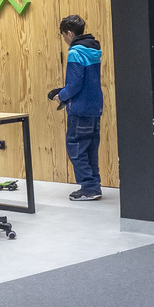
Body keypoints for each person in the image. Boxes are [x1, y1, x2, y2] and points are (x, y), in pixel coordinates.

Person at [48, 14, 103, 202]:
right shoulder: (93, 49)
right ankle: (94, 186)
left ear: (69, 33)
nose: (64, 39)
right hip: (95, 107)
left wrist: (61, 96)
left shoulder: (75, 52)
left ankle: (88, 187)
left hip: (80, 109)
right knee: (90, 149)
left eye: (63, 35)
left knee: (76, 148)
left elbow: (74, 84)